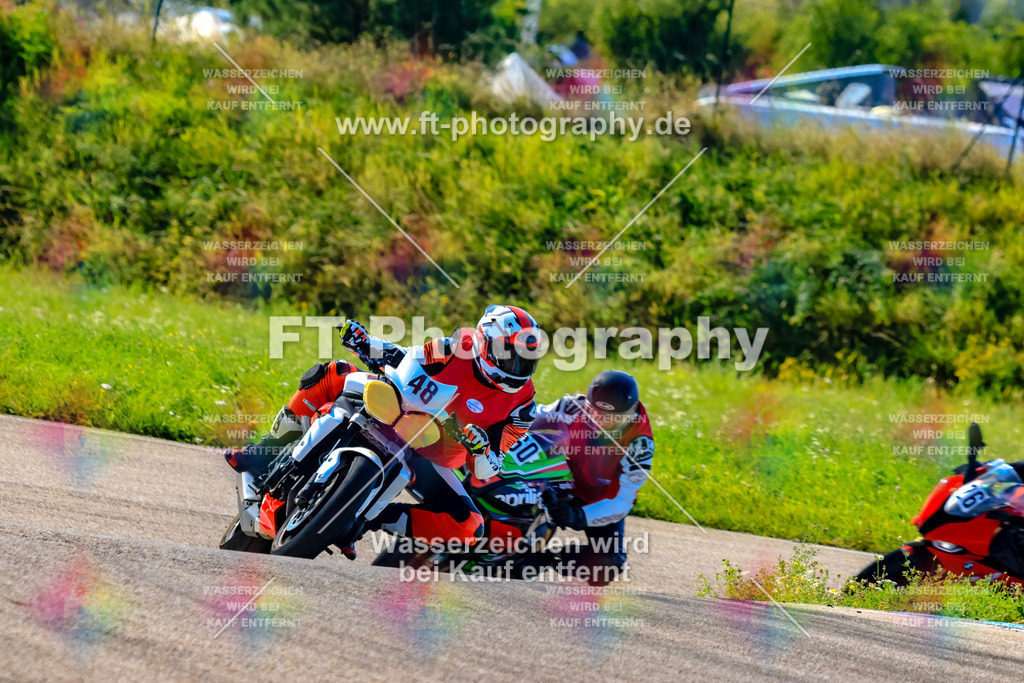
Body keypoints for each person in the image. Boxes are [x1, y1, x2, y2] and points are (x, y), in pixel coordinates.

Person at [223, 305, 542, 553]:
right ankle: (265, 451)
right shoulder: (457, 345)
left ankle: (370, 518)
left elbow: (493, 462)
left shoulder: (522, 404)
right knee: (334, 373)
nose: (516, 366)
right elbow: (407, 357)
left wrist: (481, 445)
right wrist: (365, 343)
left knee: (469, 527)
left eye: (525, 360)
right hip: (396, 410)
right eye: (509, 354)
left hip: (432, 453)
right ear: (486, 342)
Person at [538, 370, 654, 583]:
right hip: (557, 480)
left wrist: (578, 516)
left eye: (613, 417)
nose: (603, 422)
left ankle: (544, 559)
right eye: (596, 413)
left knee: (609, 564)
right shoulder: (572, 406)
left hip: (599, 500)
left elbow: (623, 500)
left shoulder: (640, 445)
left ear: (631, 412)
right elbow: (527, 421)